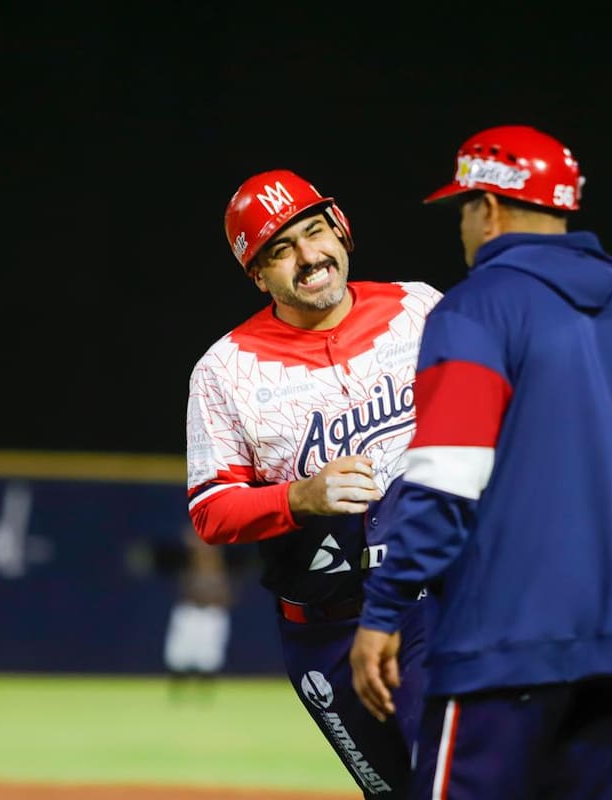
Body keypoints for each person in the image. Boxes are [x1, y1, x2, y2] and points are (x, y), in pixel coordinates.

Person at [349, 124, 612, 799]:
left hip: (500, 653)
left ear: (489, 208)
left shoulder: (476, 310)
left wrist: (384, 609)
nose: (461, 222)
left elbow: (446, 481)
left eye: (462, 206)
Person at [185, 169, 443, 798]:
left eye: (314, 231)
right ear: (257, 274)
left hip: (434, 601)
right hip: (323, 627)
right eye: (280, 250)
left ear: (341, 229)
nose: (309, 257)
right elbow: (211, 511)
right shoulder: (225, 370)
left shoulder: (418, 309)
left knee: (449, 781)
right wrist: (299, 497)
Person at [162, 527, 234, 702]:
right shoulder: (191, 562)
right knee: (179, 655)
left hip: (211, 613)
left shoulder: (218, 565)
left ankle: (204, 695)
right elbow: (192, 542)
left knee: (208, 657)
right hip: (190, 612)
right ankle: (177, 694)